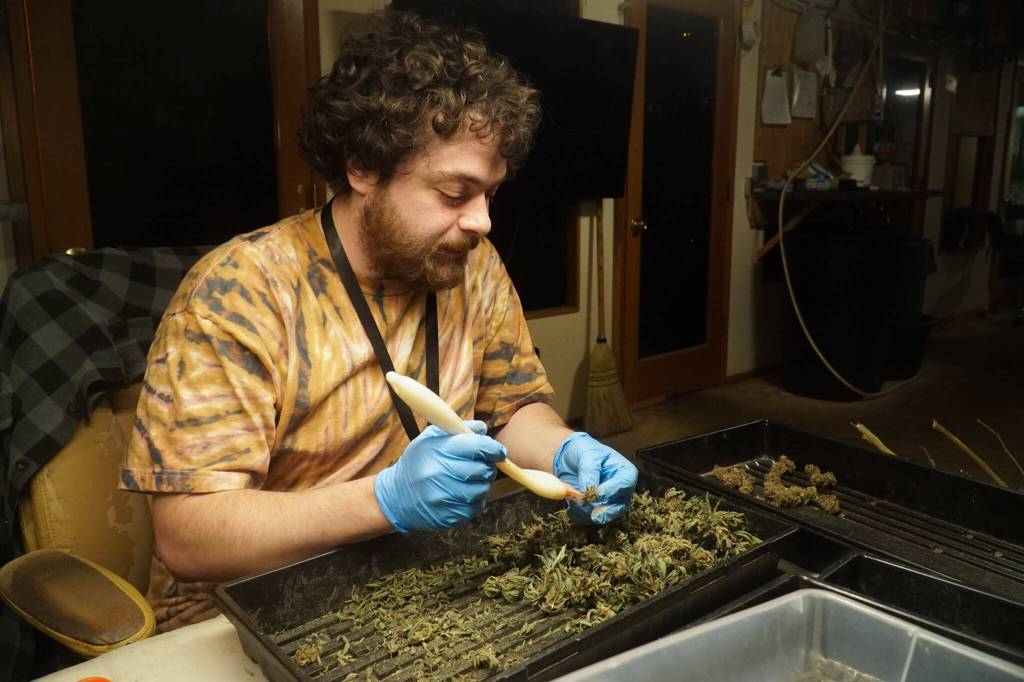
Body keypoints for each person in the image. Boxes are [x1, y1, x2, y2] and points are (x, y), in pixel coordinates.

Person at [120, 8, 637, 632]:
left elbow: (513, 407)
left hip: (414, 579)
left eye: (490, 194)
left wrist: (564, 452)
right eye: (454, 194)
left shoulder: (470, 263)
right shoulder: (239, 292)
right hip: (247, 612)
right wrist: (386, 501)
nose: (482, 222)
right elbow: (190, 537)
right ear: (362, 167)